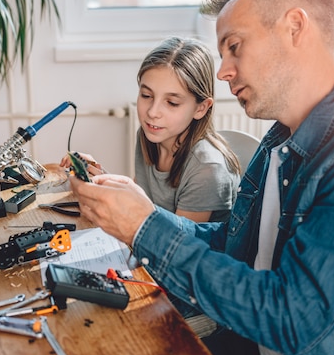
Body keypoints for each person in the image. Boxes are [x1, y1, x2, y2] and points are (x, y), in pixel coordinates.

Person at [68, 0, 334, 355]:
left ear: (295, 27)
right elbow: (233, 246)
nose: (222, 72)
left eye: (234, 46)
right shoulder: (281, 139)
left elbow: (292, 318)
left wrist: (144, 228)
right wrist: (141, 211)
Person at [62, 36, 241, 224]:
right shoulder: (149, 136)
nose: (152, 112)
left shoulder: (207, 171)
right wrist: (98, 176)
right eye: (146, 95)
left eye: (172, 103)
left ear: (200, 108)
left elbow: (176, 243)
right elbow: (142, 200)